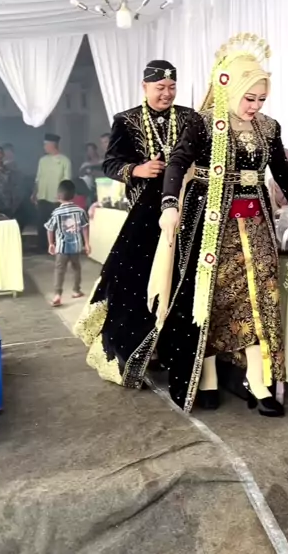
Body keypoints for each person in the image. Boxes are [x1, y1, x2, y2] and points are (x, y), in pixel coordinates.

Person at [156, 34, 288, 416]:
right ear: (232, 88)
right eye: (249, 98)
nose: (255, 106)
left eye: (261, 99)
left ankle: (258, 382)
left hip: (256, 225)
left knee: (260, 298)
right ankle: (207, 377)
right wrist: (170, 204)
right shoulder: (203, 123)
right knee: (209, 297)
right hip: (211, 225)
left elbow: (282, 172)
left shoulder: (268, 128)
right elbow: (177, 163)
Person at [74, 60, 193, 387]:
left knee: (179, 281)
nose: (167, 93)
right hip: (144, 214)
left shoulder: (189, 118)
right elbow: (110, 164)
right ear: (144, 87)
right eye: (160, 88)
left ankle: (172, 351)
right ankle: (135, 351)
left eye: (172, 87)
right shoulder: (126, 121)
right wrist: (137, 170)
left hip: (186, 210)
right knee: (137, 282)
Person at [45, 180, 90, 307]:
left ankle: (57, 295)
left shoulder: (56, 213)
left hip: (61, 248)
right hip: (76, 247)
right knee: (76, 268)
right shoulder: (80, 211)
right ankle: (76, 290)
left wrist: (51, 244)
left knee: (60, 270)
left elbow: (49, 229)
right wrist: (87, 243)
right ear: (74, 195)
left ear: (58, 196)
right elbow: (85, 227)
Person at [32, 134, 72, 253]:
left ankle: (57, 247)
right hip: (42, 196)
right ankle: (42, 247)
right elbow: (38, 178)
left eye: (46, 145)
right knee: (42, 222)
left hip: (57, 198)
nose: (44, 147)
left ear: (53, 145)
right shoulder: (43, 160)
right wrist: (34, 193)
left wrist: (64, 197)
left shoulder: (64, 160)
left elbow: (67, 180)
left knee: (56, 224)